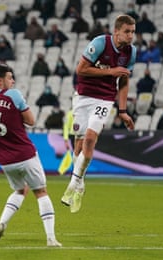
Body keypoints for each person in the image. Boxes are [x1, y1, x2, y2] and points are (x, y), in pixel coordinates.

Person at [0, 63, 61, 247]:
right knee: (41, 192)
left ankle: (2, 223)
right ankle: (51, 238)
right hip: (25, 153)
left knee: (20, 190)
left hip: (5, 159)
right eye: (9, 78)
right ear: (0, 81)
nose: (13, 81)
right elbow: (31, 121)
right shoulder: (12, 95)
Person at [61, 14, 136, 213]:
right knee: (78, 145)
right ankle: (80, 185)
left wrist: (122, 110)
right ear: (117, 31)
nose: (131, 36)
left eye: (133, 32)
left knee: (90, 138)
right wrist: (110, 72)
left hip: (104, 99)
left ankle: (72, 185)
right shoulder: (100, 43)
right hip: (83, 97)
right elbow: (81, 70)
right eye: (127, 31)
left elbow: (124, 81)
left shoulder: (131, 53)